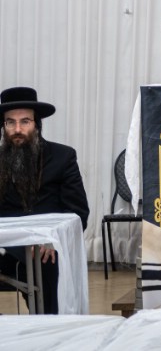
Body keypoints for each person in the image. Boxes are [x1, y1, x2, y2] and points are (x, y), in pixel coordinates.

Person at [0, 87, 89, 314]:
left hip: (46, 248)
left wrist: (53, 238)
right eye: (10, 122)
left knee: (49, 266)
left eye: (25, 121)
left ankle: (49, 328)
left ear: (37, 124)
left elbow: (78, 212)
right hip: (7, 246)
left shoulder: (62, 157)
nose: (17, 129)